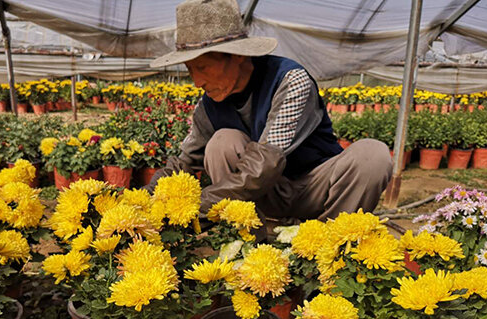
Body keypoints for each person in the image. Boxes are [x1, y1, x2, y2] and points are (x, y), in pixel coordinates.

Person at [148, 0, 393, 222]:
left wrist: (199, 204)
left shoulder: (289, 80)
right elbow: (182, 164)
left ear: (237, 56)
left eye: (202, 67)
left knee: (372, 155)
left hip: (316, 188)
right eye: (190, 70)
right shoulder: (209, 104)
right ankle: (247, 236)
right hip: (265, 199)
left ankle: (332, 240)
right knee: (222, 142)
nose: (197, 81)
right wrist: (145, 200)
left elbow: (265, 164)